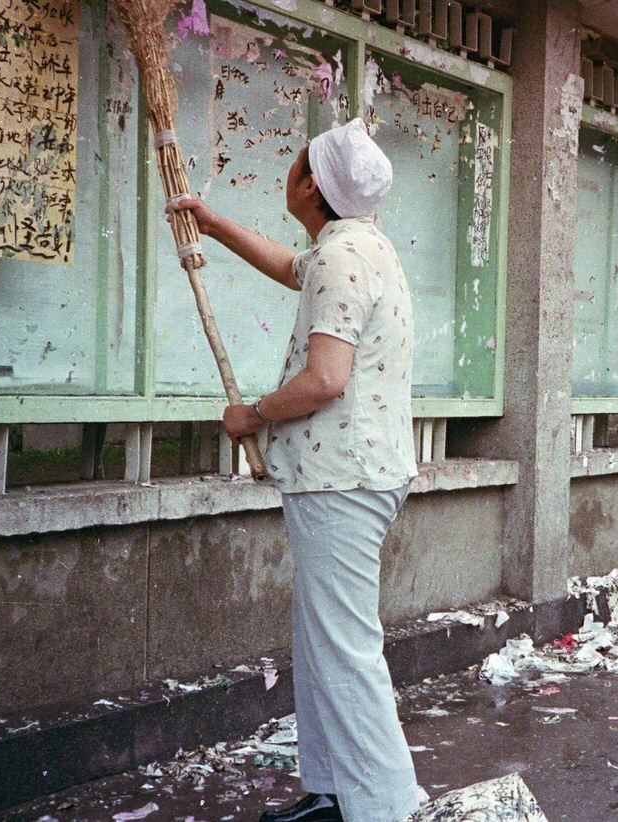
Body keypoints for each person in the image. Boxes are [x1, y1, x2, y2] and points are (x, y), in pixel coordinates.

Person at [172, 118, 421, 822]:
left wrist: (251, 414)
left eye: (295, 164)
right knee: (321, 644)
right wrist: (215, 227)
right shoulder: (353, 247)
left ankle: (387, 808)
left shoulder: (344, 258)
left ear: (311, 185)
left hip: (345, 478)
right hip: (344, 475)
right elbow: (289, 267)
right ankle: (334, 794)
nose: (290, 172)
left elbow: (325, 379)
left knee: (343, 649)